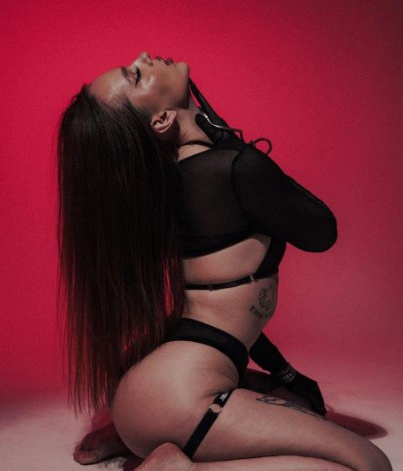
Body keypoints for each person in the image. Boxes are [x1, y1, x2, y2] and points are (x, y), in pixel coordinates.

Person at [57, 51, 391, 470]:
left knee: (304, 406)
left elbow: (227, 314)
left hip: (154, 390)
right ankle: (178, 466)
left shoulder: (167, 184)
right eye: (136, 75)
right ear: (161, 120)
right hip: (177, 396)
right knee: (369, 464)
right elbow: (321, 231)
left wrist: (285, 374)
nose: (144, 57)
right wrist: (231, 144)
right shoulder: (234, 169)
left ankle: (136, 438)